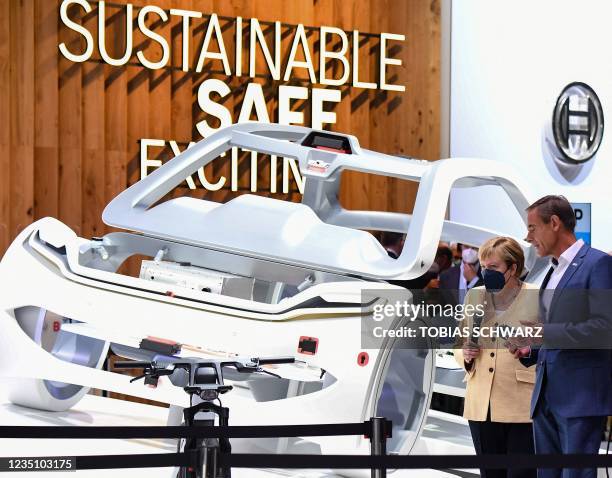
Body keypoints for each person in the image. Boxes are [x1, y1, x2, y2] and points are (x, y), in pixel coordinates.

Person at [509, 195, 612, 478]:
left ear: (554, 223)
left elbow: (604, 328)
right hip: (545, 399)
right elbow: (554, 336)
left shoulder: (598, 264)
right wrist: (530, 350)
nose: (527, 237)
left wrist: (543, 332)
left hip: (580, 399)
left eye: (532, 228)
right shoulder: (551, 271)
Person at [455, 236, 539, 478]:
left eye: (493, 267)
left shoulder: (538, 296)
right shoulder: (475, 296)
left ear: (513, 268)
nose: (486, 272)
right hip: (481, 404)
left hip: (521, 404)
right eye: (483, 267)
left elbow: (548, 345)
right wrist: (465, 354)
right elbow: (460, 342)